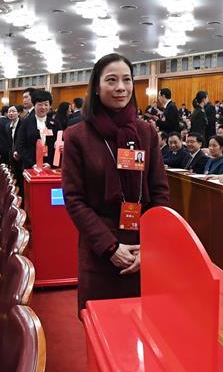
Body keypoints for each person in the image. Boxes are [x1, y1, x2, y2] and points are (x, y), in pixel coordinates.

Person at [61, 53, 169, 311]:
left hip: (143, 248)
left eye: (127, 80)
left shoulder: (145, 132)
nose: (121, 87)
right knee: (102, 334)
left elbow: (159, 191)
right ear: (96, 88)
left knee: (144, 332)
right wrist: (111, 247)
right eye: (111, 80)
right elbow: (74, 200)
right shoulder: (78, 135)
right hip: (101, 249)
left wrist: (151, 246)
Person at [15, 89, 59, 169]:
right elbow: (21, 145)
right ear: (34, 105)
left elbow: (58, 145)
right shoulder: (26, 123)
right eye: (40, 104)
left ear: (50, 106)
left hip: (49, 166)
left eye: (46, 105)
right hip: (30, 166)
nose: (43, 107)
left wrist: (50, 163)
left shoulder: (54, 123)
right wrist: (32, 164)